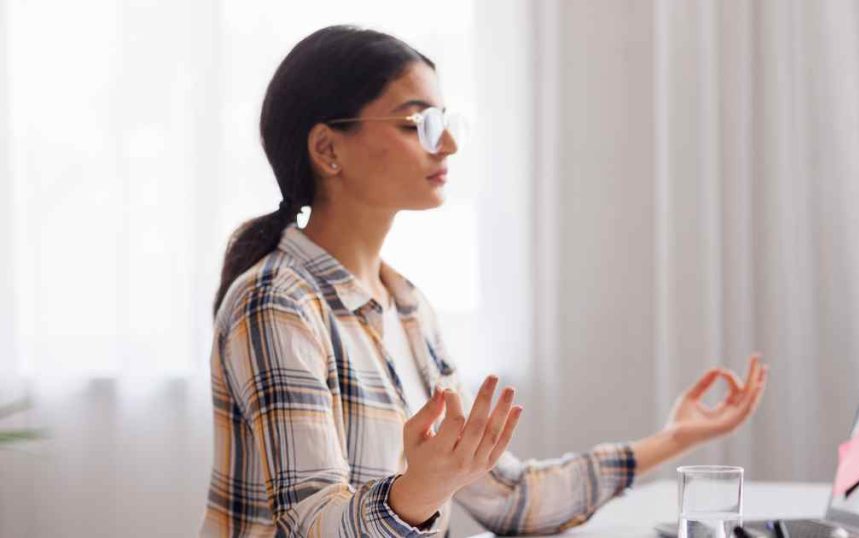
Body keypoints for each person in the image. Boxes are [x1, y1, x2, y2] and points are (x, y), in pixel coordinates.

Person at [199, 25, 768, 538]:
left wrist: (675, 437)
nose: (446, 144)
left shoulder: (406, 307)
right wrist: (417, 492)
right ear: (327, 148)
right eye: (416, 123)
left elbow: (509, 498)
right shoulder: (276, 302)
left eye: (445, 122)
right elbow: (310, 525)